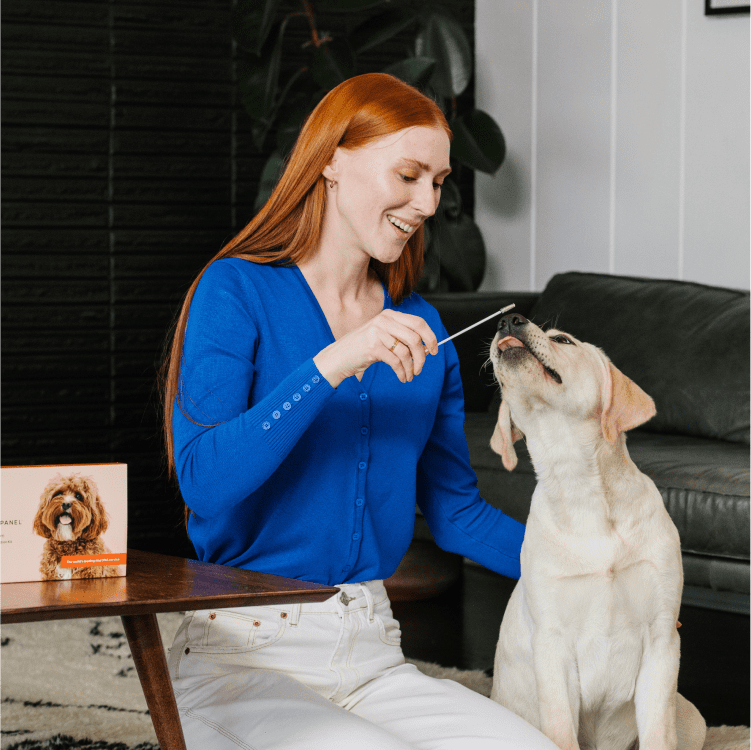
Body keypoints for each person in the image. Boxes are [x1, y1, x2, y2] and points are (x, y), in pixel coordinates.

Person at [161, 73, 558, 750]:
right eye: (407, 175)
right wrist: (332, 363)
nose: (426, 203)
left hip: (371, 653)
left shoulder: (422, 328)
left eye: (438, 183)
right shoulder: (235, 290)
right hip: (240, 662)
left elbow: (456, 515)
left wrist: (594, 575)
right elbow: (204, 481)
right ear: (331, 162)